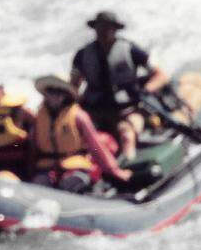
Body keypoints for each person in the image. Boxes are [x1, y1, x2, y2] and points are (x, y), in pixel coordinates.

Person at [69, 11, 169, 160]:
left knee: (127, 135)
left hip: (128, 109)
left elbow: (161, 76)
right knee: (84, 141)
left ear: (115, 29)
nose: (103, 31)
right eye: (100, 27)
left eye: (107, 27)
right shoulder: (82, 55)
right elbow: (73, 86)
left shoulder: (131, 50)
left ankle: (129, 165)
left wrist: (144, 91)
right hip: (95, 111)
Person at [30, 74, 132, 192]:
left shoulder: (78, 116)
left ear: (66, 94)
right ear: (45, 94)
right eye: (51, 91)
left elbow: (96, 146)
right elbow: (33, 147)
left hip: (75, 166)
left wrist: (114, 170)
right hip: (47, 168)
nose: (55, 95)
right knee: (39, 184)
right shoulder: (39, 117)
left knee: (69, 184)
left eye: (59, 92)